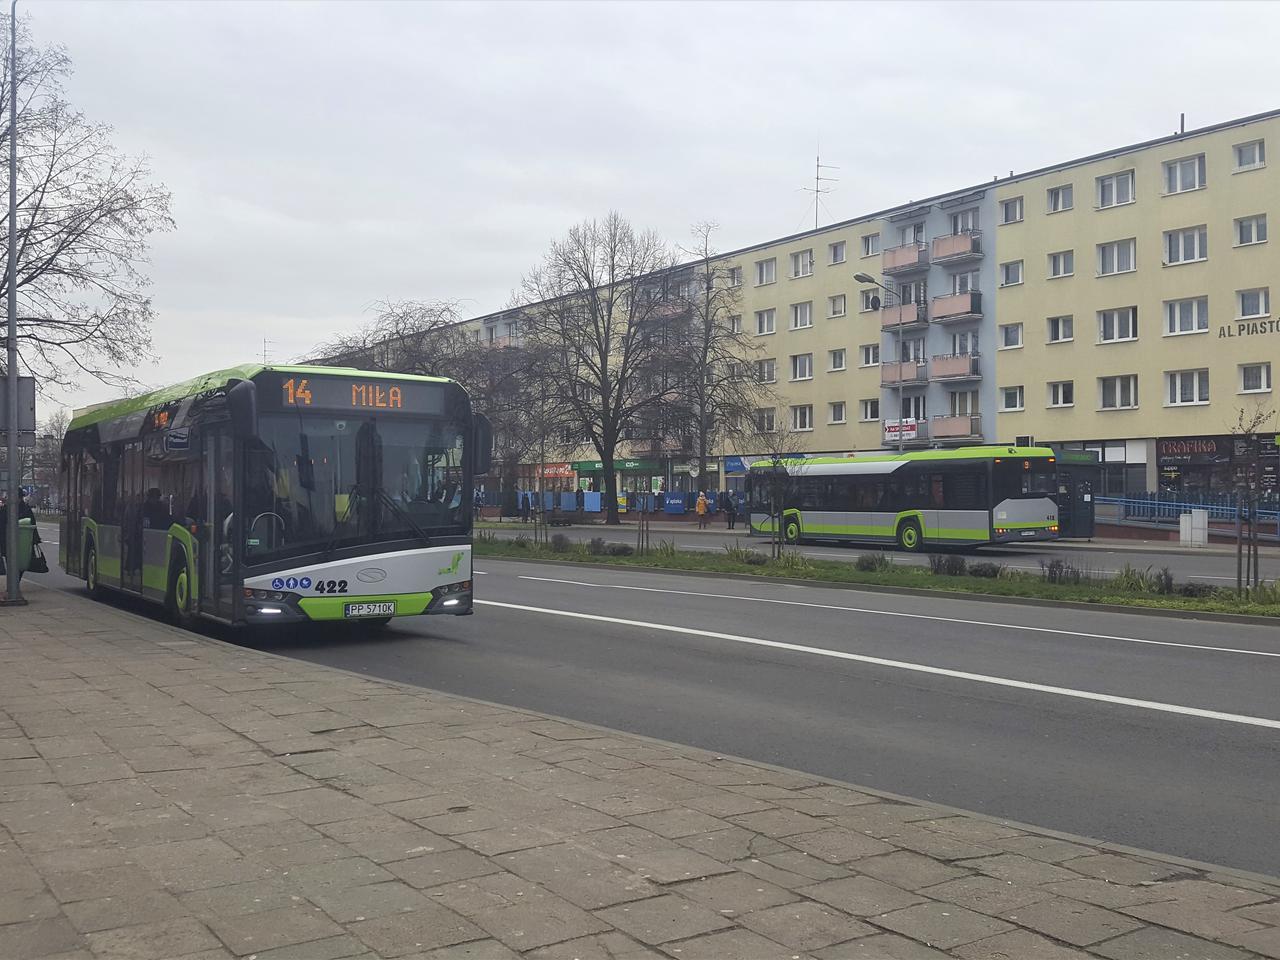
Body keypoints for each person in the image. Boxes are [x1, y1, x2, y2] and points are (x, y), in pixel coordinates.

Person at [0, 491, 39, 584]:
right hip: (7, 542)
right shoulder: (6, 509)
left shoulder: (25, 509)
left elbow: (32, 524)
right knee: (11, 563)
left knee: (20, 564)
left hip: (22, 541)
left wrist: (35, 540)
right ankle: (13, 585)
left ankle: (14, 584)